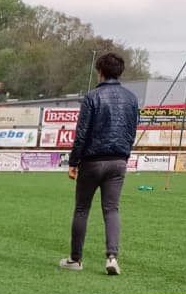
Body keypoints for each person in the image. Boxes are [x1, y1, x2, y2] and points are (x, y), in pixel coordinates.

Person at [59, 52, 140, 277]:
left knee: (82, 209)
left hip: (93, 161)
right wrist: (124, 155)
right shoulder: (132, 98)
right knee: (112, 209)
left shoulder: (92, 97)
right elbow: (132, 130)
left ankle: (75, 259)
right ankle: (112, 257)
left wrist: (73, 161)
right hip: (118, 161)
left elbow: (82, 132)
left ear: (100, 72)